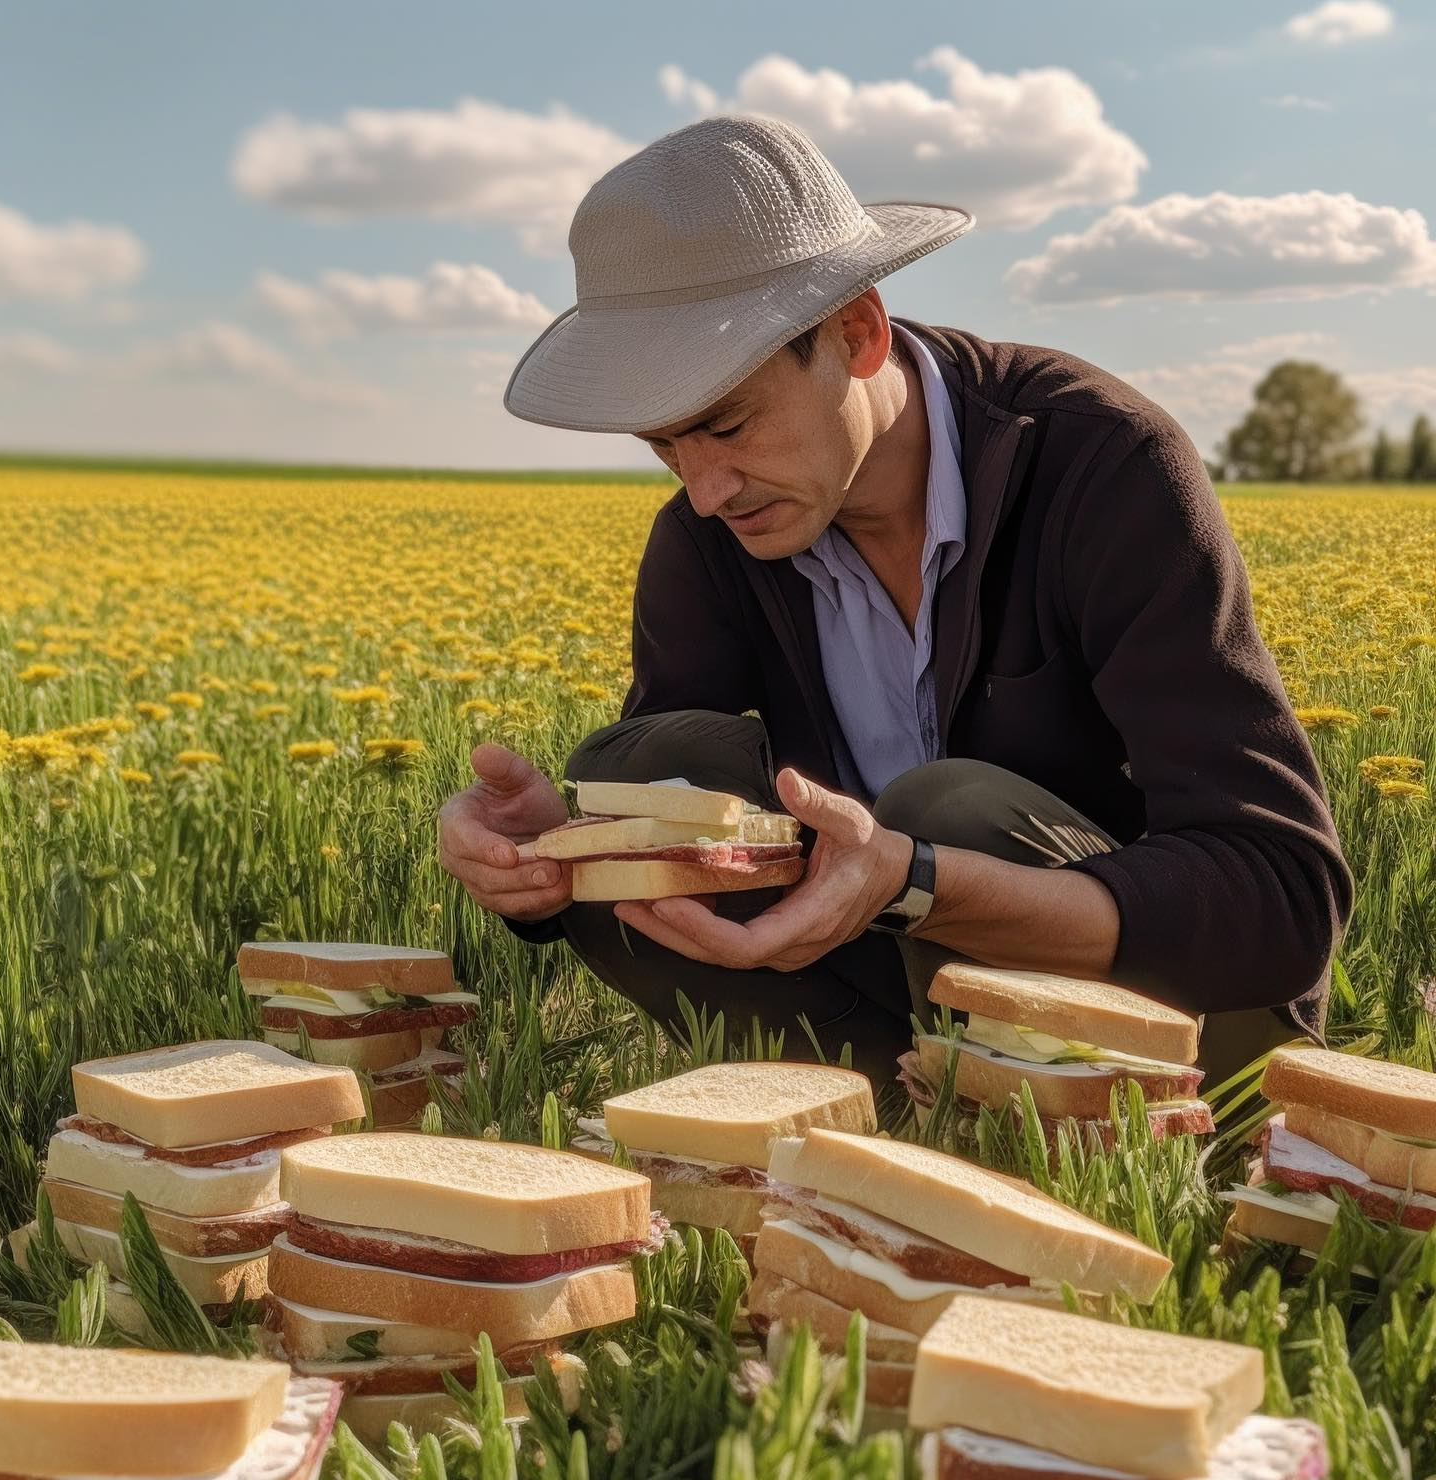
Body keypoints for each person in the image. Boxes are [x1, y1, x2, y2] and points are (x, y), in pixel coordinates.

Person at [438, 115, 1351, 1090]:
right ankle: (888, 1124)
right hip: (901, 999)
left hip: (1177, 1016)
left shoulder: (1104, 465)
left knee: (945, 807)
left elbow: (1284, 898)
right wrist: (548, 859)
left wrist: (920, 878)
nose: (705, 489)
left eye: (728, 424)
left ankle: (1099, 1141)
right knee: (640, 767)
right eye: (665, 447)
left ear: (858, 334)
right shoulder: (709, 540)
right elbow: (666, 824)